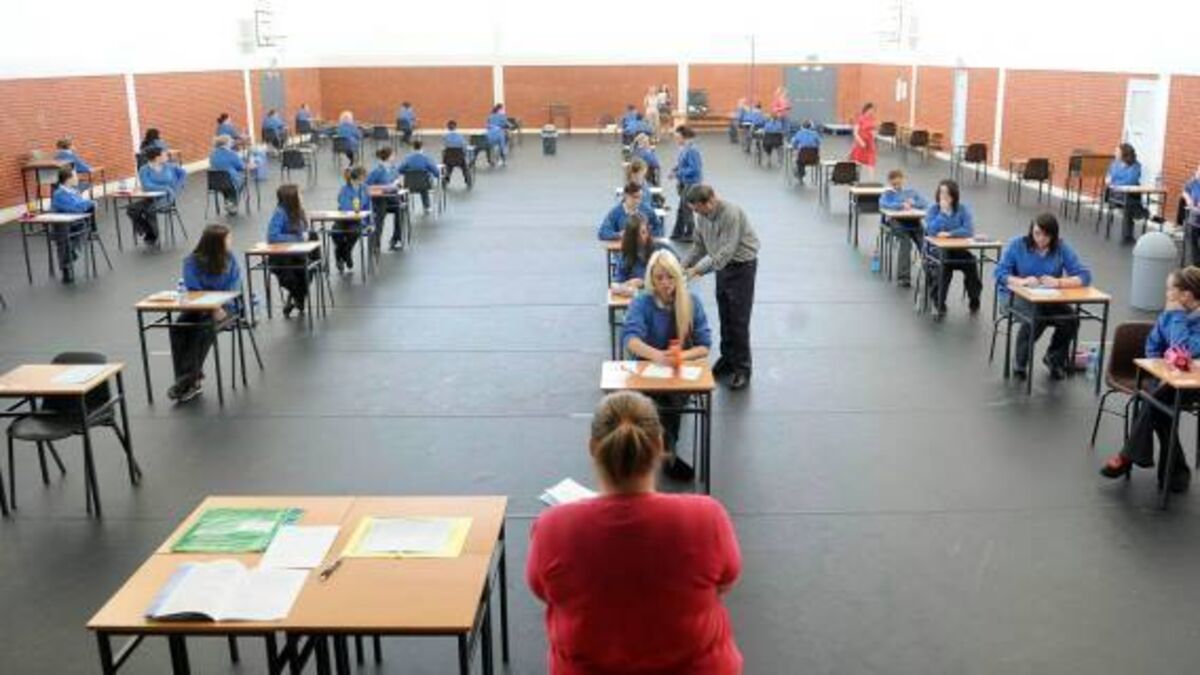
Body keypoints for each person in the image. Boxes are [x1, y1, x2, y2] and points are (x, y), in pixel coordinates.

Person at [526, 391, 742, 674]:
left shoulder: (552, 527)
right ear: (659, 444)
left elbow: (543, 591)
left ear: (593, 447)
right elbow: (725, 582)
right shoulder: (707, 517)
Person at [1099, 267, 1200, 494]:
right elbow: (1152, 345)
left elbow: (1184, 350)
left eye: (1170, 289)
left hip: (1192, 385)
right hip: (1164, 380)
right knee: (1158, 404)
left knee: (1153, 401)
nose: (1166, 294)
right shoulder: (1168, 315)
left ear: (1186, 295)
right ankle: (1175, 473)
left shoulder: (1177, 315)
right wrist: (1159, 371)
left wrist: (1178, 317)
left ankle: (1129, 456)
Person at [621, 250, 713, 478]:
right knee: (654, 403)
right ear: (651, 279)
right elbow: (630, 339)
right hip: (647, 370)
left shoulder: (691, 302)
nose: (665, 283)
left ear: (677, 277)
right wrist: (658, 356)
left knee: (669, 401)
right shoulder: (642, 302)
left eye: (670, 277)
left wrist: (680, 356)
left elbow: (704, 345)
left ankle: (663, 452)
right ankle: (664, 453)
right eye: (659, 277)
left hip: (678, 372)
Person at [995, 213, 1092, 380]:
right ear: (1031, 231)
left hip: (1046, 298)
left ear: (1053, 235)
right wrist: (1022, 281)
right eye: (1037, 233)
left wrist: (1058, 282)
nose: (1040, 239)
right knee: (1036, 316)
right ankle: (1019, 364)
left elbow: (1084, 275)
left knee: (1071, 319)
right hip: (1013, 295)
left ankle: (1054, 358)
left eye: (1046, 235)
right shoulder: (1017, 245)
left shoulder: (1061, 248)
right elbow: (1000, 273)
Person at [683, 185, 760, 391]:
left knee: (739, 320)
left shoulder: (731, 214)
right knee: (725, 316)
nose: (697, 214)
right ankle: (728, 359)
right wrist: (681, 266)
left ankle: (743, 369)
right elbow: (699, 246)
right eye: (694, 210)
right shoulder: (702, 217)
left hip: (742, 268)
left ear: (710, 201)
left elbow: (726, 252)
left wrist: (696, 270)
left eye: (698, 209)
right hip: (722, 268)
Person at [167, 224, 242, 403]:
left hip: (226, 308)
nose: (231, 241)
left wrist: (216, 306)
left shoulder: (231, 260)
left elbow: (233, 289)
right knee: (178, 327)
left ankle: (186, 381)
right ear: (215, 243)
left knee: (203, 329)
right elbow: (194, 290)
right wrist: (210, 306)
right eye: (227, 238)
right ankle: (190, 380)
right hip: (200, 307)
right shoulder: (191, 261)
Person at [924, 179, 982, 317]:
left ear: (954, 195)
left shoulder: (962, 209)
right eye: (941, 193)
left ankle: (974, 297)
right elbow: (931, 231)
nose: (943, 196)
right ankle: (939, 300)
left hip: (957, 249)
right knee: (944, 264)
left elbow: (968, 231)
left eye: (947, 193)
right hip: (936, 250)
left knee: (971, 261)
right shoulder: (933, 209)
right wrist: (942, 214)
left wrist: (950, 234)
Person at [266, 184, 317, 318]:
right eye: (299, 194)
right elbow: (272, 236)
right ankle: (297, 298)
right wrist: (297, 238)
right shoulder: (280, 212)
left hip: (297, 255)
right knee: (289, 277)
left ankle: (295, 298)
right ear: (291, 198)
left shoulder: (299, 211)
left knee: (309, 269)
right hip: (281, 258)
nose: (301, 196)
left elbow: (304, 232)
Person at [879, 169, 929, 287]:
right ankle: (903, 277)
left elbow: (924, 203)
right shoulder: (888, 193)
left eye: (899, 183)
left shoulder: (911, 192)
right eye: (894, 184)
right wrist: (900, 205)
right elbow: (884, 204)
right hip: (896, 222)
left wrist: (912, 203)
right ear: (890, 182)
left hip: (913, 221)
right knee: (906, 242)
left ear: (903, 180)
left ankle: (931, 273)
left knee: (924, 243)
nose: (897, 186)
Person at [132, 146, 186, 244]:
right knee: (132, 209)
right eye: (164, 154)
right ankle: (148, 230)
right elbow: (146, 185)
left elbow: (183, 173)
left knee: (150, 210)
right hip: (150, 198)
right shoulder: (144, 169)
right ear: (157, 157)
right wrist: (165, 188)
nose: (167, 156)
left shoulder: (170, 166)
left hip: (167, 198)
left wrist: (176, 187)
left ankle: (153, 235)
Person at [49, 166, 94, 284]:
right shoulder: (59, 194)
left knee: (84, 228)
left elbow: (81, 205)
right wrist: (90, 203)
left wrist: (87, 204)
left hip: (77, 224)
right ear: (68, 179)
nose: (77, 178)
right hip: (62, 226)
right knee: (64, 237)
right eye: (75, 176)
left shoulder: (74, 191)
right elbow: (75, 207)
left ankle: (70, 254)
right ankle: (66, 266)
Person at [612, 214, 674, 293]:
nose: (642, 238)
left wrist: (643, 283)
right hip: (639, 297)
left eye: (644, 232)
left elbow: (677, 275)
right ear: (631, 237)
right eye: (637, 235)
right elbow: (616, 284)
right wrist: (627, 284)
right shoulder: (626, 255)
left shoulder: (661, 249)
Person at [367, 147, 407, 249]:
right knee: (380, 212)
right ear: (388, 157)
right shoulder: (377, 171)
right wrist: (383, 187)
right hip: (380, 199)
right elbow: (366, 186)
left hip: (392, 198)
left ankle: (396, 238)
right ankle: (376, 243)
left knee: (400, 208)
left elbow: (398, 182)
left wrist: (398, 184)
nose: (395, 157)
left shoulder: (393, 169)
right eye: (393, 155)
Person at [333, 166, 370, 272]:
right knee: (336, 233)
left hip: (358, 220)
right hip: (343, 219)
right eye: (363, 178)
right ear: (356, 178)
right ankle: (339, 254)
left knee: (354, 232)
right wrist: (355, 207)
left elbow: (368, 205)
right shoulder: (344, 189)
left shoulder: (365, 188)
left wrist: (369, 222)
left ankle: (347, 252)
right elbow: (344, 206)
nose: (364, 180)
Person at [669, 126, 702, 241]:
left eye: (677, 137)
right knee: (682, 209)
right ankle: (678, 232)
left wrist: (678, 173)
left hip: (691, 183)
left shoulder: (692, 150)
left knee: (687, 209)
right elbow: (682, 163)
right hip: (685, 182)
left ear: (684, 137)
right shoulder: (684, 149)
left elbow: (695, 169)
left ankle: (690, 233)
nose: (676, 140)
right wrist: (675, 169)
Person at [1106, 143, 1145, 243]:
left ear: (1124, 153)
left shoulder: (1135, 165)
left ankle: (1128, 235)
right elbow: (1108, 179)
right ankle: (1141, 213)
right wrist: (1114, 183)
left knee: (1128, 203)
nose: (1115, 153)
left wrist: (1115, 182)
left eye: (1117, 152)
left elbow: (1132, 180)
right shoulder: (1114, 164)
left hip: (1131, 194)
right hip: (1115, 194)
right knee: (1129, 204)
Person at [396, 140, 441, 212]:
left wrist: (407, 172)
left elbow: (399, 170)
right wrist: (435, 174)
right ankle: (427, 206)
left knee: (403, 187)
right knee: (424, 187)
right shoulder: (426, 158)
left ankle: (405, 204)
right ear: (422, 148)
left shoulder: (408, 158)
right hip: (424, 185)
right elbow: (436, 172)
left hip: (409, 185)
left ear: (413, 148)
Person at [208, 135, 246, 215]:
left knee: (227, 185)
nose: (232, 143)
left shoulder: (212, 154)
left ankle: (228, 200)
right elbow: (241, 166)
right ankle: (232, 202)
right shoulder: (231, 154)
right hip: (230, 181)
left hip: (215, 182)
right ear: (226, 143)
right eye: (230, 141)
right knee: (242, 180)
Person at [849, 102, 878, 180]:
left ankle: (872, 181)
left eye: (874, 110)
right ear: (867, 109)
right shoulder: (860, 118)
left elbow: (874, 130)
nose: (872, 112)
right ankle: (855, 179)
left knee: (871, 162)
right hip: (861, 143)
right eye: (872, 110)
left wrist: (874, 133)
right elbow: (855, 133)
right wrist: (860, 141)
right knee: (857, 162)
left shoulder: (872, 119)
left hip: (870, 144)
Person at [441, 120, 471, 188]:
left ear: (448, 127)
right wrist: (464, 154)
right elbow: (464, 146)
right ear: (456, 127)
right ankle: (467, 179)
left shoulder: (445, 136)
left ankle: (446, 178)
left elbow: (444, 146)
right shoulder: (460, 136)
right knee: (464, 167)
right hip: (459, 156)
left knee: (448, 166)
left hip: (449, 157)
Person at [1182, 164, 1200, 263]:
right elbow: (1185, 190)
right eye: (1198, 171)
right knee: (1192, 236)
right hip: (1195, 217)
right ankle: (1196, 262)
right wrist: (1188, 198)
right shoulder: (1193, 181)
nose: (1198, 174)